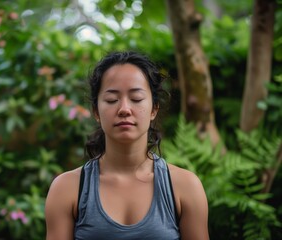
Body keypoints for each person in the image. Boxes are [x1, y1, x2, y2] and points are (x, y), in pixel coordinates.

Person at [45, 51, 209, 240]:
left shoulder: (185, 187)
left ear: (154, 109)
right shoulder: (67, 189)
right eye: (112, 100)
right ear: (96, 111)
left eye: (136, 98)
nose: (124, 109)